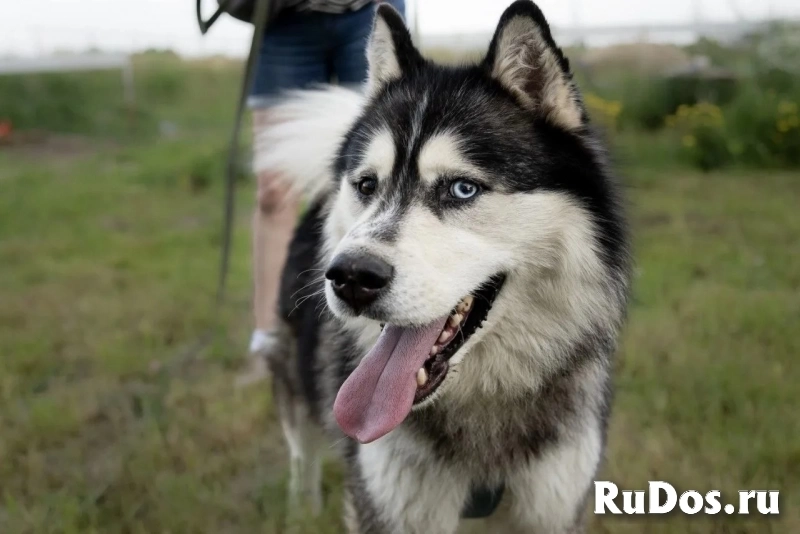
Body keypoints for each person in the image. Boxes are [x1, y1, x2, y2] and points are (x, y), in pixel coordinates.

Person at [240, 0, 407, 384]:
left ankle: (351, 335)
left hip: (368, 10)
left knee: (374, 176)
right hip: (283, 17)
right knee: (273, 192)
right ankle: (269, 340)